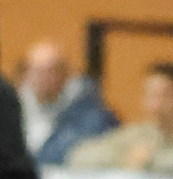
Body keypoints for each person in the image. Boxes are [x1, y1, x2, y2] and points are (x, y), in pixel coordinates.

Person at [69, 61, 173, 173]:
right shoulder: (140, 132)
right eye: (150, 95)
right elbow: (79, 157)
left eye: (164, 95)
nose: (156, 103)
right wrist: (125, 158)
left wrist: (150, 161)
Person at [17, 36, 117, 164]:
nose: (43, 78)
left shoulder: (91, 117)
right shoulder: (12, 108)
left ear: (65, 73)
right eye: (36, 70)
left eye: (50, 71)